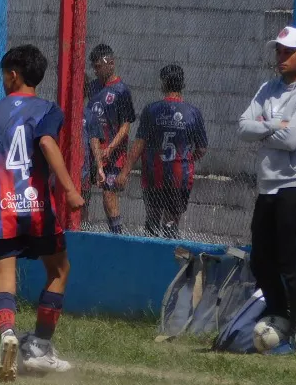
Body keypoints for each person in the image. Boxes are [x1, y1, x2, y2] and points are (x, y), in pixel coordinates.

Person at [0, 44, 84, 382]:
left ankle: (9, 336)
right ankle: (41, 347)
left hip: (3, 213)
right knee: (59, 270)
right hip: (38, 210)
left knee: (5, 279)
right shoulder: (48, 110)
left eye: (3, 74)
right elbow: (46, 143)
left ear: (13, 75)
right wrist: (71, 190)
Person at [237, 26, 296, 343]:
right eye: (278, 50)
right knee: (261, 259)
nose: (281, 57)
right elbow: (242, 127)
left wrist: (263, 127)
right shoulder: (268, 88)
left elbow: (293, 140)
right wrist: (276, 123)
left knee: (292, 260)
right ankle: (278, 316)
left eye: (287, 52)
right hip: (269, 185)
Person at [118, 64, 207, 238]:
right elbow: (202, 148)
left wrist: (125, 171)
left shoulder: (152, 110)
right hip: (180, 176)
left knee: (152, 221)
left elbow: (139, 144)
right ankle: (169, 256)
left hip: (154, 175)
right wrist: (186, 159)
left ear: (163, 83)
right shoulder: (193, 113)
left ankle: (149, 260)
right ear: (182, 84)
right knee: (171, 224)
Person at [85, 43, 135, 233]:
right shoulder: (93, 87)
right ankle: (82, 229)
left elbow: (126, 124)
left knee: (108, 192)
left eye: (99, 66)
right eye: (94, 67)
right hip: (92, 149)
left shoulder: (121, 91)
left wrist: (111, 148)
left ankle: (116, 233)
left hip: (113, 153)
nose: (96, 71)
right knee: (84, 192)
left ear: (110, 63)